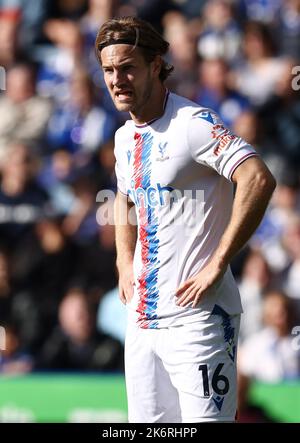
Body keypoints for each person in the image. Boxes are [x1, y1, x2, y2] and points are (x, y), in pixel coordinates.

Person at [95, 16, 276, 423]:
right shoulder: (124, 137)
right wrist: (125, 260)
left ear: (156, 65)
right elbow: (125, 199)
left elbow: (258, 177)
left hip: (198, 320)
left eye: (128, 67)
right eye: (108, 70)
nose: (117, 79)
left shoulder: (193, 124)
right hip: (141, 322)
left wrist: (218, 261)